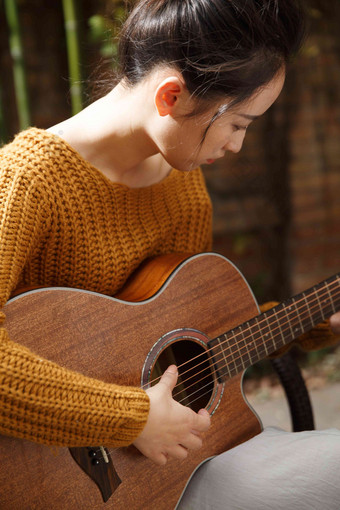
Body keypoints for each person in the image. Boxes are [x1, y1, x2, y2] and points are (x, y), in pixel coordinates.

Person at [0, 0, 339, 508]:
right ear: (172, 96)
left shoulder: (183, 188)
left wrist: (310, 324)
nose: (237, 146)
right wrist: (130, 417)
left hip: (167, 471)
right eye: (239, 124)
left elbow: (186, 333)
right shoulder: (27, 181)